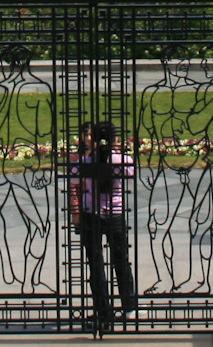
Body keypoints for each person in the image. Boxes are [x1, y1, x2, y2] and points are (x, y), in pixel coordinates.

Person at [70, 121, 137, 331]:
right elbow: (131, 172)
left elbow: (73, 178)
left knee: (96, 263)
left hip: (92, 216)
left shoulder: (85, 161)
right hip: (115, 215)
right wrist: (116, 151)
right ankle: (129, 306)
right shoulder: (120, 160)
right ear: (115, 139)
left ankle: (103, 311)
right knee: (120, 260)